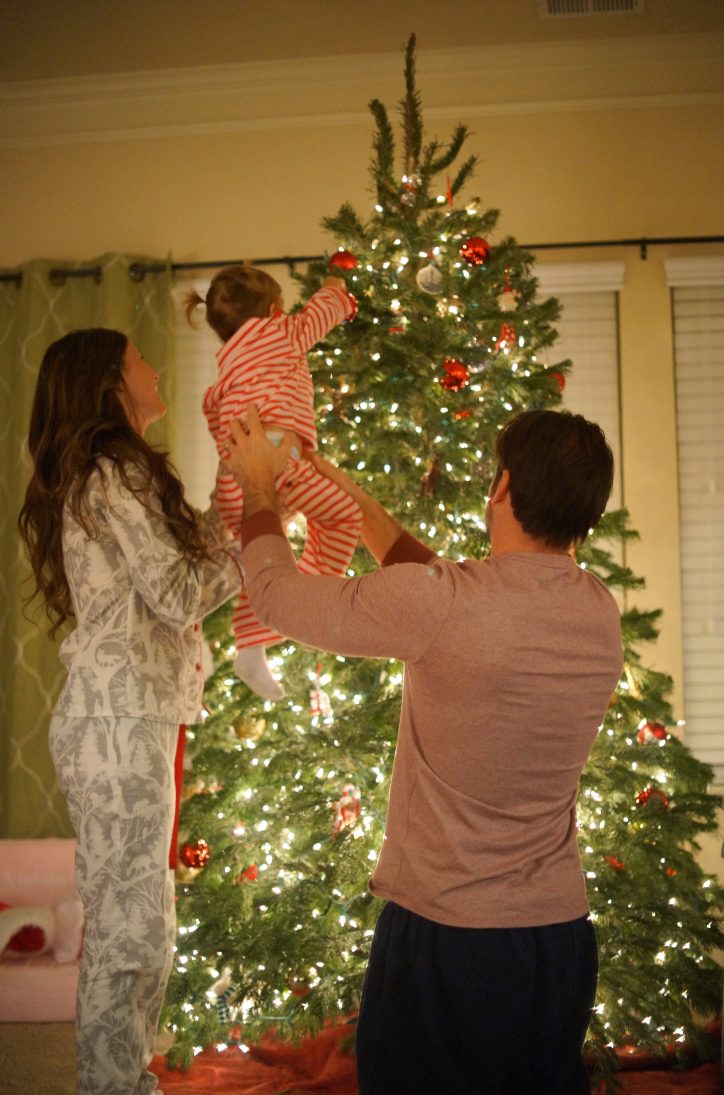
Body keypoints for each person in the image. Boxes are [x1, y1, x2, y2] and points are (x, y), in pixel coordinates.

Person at [224, 405, 624, 1095]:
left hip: (451, 941)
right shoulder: (597, 609)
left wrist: (259, 489)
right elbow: (449, 590)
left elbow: (279, 597)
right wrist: (346, 491)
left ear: (500, 487)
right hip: (559, 941)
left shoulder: (444, 605)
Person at [18, 328, 245, 1095]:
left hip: (131, 719)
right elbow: (181, 594)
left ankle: (121, 1083)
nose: (152, 368)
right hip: (116, 724)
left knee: (141, 924)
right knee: (130, 930)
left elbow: (177, 574)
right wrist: (262, 537)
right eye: (140, 358)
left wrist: (237, 497)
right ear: (114, 382)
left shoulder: (117, 473)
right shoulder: (112, 471)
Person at [184, 263, 362, 700]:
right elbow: (324, 311)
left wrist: (234, 470)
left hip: (236, 477)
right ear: (273, 309)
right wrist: (337, 288)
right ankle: (311, 603)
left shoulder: (226, 368)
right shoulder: (280, 333)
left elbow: (213, 415)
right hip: (279, 460)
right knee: (343, 516)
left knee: (260, 556)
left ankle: (251, 646)